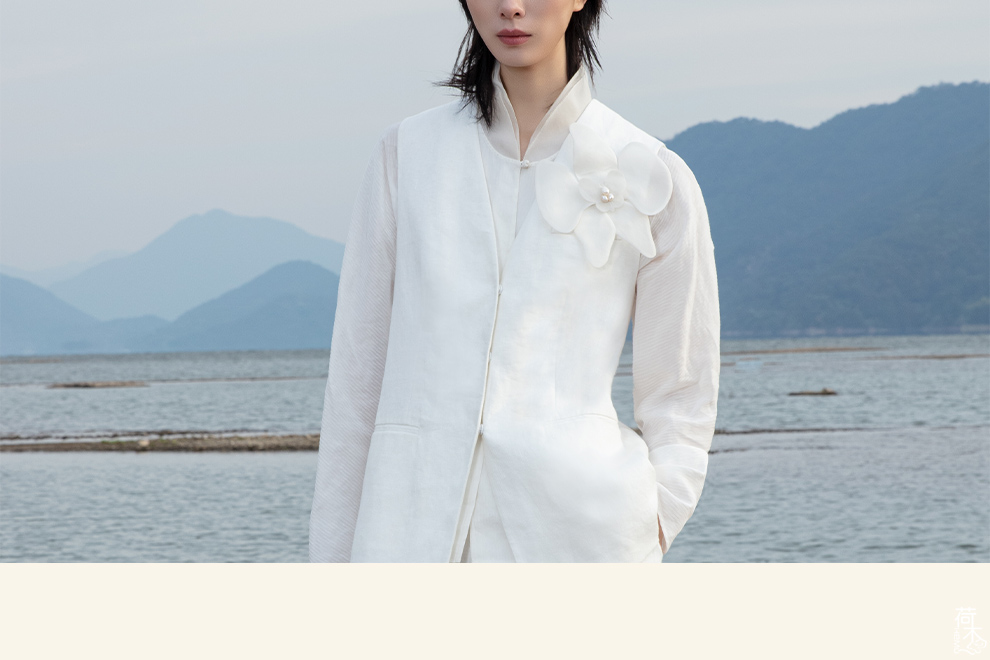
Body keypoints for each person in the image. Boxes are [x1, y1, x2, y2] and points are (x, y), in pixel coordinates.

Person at [309, 0, 720, 563]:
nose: (511, 7)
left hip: (583, 539)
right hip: (405, 532)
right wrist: (332, 560)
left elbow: (682, 389)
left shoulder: (652, 173)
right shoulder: (405, 157)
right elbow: (357, 382)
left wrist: (652, 522)